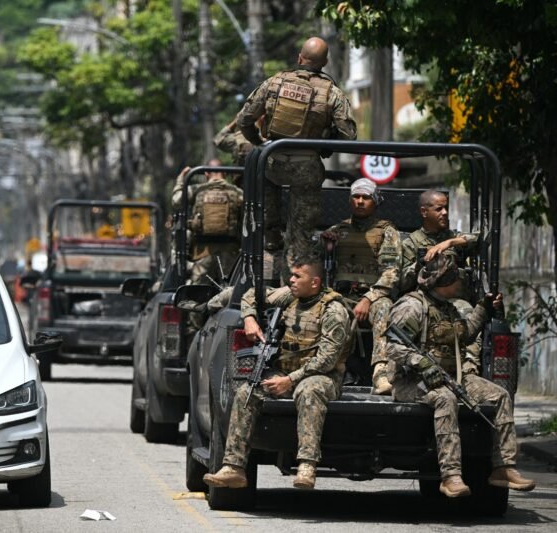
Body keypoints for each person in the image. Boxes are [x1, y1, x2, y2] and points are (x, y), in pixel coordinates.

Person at [385, 255, 536, 497]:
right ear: (444, 281)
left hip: (451, 376)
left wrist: (483, 309)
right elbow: (392, 346)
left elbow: (463, 335)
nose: (461, 281)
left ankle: (503, 467)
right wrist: (422, 363)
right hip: (411, 382)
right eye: (456, 277)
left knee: (500, 396)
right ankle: (451, 475)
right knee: (446, 399)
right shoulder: (412, 307)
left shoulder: (448, 307)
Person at [203, 258, 352, 490]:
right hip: (285, 372)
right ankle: (234, 467)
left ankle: (307, 465)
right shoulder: (291, 297)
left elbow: (327, 360)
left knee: (309, 390)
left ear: (315, 283)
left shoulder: (334, 310)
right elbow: (252, 294)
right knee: (247, 391)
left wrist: (289, 380)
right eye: (291, 275)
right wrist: (250, 318)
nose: (291, 280)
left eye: (297, 276)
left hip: (322, 377)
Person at [237, 36, 357, 260]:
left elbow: (244, 120)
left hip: (271, 162)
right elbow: (349, 136)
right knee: (301, 235)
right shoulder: (332, 92)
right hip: (306, 168)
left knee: (262, 195)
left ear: (299, 57)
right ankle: (293, 274)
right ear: (324, 63)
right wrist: (326, 139)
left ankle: (270, 238)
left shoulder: (274, 82)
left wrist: (259, 144)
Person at [319, 178, 400, 394]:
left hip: (372, 296)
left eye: (366, 197)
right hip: (340, 295)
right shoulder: (337, 230)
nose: (360, 201)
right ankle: (331, 370)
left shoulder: (386, 232)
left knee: (384, 307)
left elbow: (392, 272)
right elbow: (313, 266)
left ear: (375, 201)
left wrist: (368, 299)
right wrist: (325, 246)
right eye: (356, 197)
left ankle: (381, 373)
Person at [171, 158, 243, 287]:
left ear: (206, 174)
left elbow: (176, 201)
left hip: (203, 252)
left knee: (198, 293)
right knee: (228, 291)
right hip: (230, 252)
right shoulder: (236, 192)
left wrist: (181, 180)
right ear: (225, 173)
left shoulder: (196, 190)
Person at [400, 189, 479, 294]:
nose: (445, 212)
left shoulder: (453, 237)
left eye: (446, 208)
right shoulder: (410, 243)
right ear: (424, 212)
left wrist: (450, 243)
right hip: (425, 299)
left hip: (454, 300)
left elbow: (480, 239)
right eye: (439, 209)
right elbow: (402, 283)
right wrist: (420, 264)